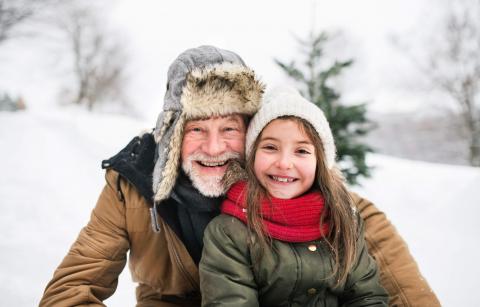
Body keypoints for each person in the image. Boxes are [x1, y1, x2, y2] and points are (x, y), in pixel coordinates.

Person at [40, 46, 440, 306]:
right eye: (196, 129)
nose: (214, 149)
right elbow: (69, 290)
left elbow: (405, 293)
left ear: (252, 134)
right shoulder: (133, 186)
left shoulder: (318, 200)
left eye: (229, 128)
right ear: (173, 133)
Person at [199, 86, 389, 306]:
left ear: (320, 162)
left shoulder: (342, 217)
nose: (284, 163)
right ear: (251, 156)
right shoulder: (230, 232)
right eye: (271, 147)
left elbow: (367, 295)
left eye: (301, 151)